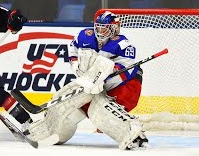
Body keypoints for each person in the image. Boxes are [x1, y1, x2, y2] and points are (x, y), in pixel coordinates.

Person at [22, 11, 148, 150]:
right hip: (94, 83)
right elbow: (73, 50)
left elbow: (127, 70)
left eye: (104, 28)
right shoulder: (85, 36)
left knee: (97, 112)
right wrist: (76, 66)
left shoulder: (122, 44)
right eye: (98, 27)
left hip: (126, 86)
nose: (100, 31)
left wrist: (105, 77)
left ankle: (132, 133)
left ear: (113, 28)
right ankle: (50, 130)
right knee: (65, 101)